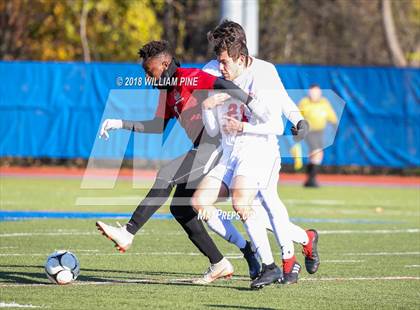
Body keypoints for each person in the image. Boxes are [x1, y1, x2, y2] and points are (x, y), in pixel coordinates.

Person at [96, 40, 261, 283]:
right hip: (201, 148)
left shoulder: (189, 77)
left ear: (164, 64)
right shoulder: (167, 91)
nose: (148, 78)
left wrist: (252, 104)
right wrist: (119, 123)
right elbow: (156, 126)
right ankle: (224, 262)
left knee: (167, 173)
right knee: (182, 209)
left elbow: (222, 83)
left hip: (217, 146)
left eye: (149, 71)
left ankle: (128, 232)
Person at [201, 20, 320, 285]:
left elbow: (280, 105)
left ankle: (284, 261)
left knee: (263, 204)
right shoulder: (214, 70)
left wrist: (298, 119)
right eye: (217, 59)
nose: (219, 67)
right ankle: (301, 242)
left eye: (224, 61)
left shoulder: (264, 72)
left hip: (261, 149)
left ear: (240, 56)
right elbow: (199, 93)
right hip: (231, 153)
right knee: (245, 208)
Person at [298, 84, 338, 187]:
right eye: (312, 92)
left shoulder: (324, 103)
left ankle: (309, 180)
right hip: (308, 131)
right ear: (309, 92)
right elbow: (297, 116)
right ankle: (312, 180)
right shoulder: (304, 102)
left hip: (320, 132)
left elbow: (331, 116)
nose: (314, 94)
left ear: (320, 92)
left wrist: (334, 125)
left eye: (316, 92)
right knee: (317, 152)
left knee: (315, 155)